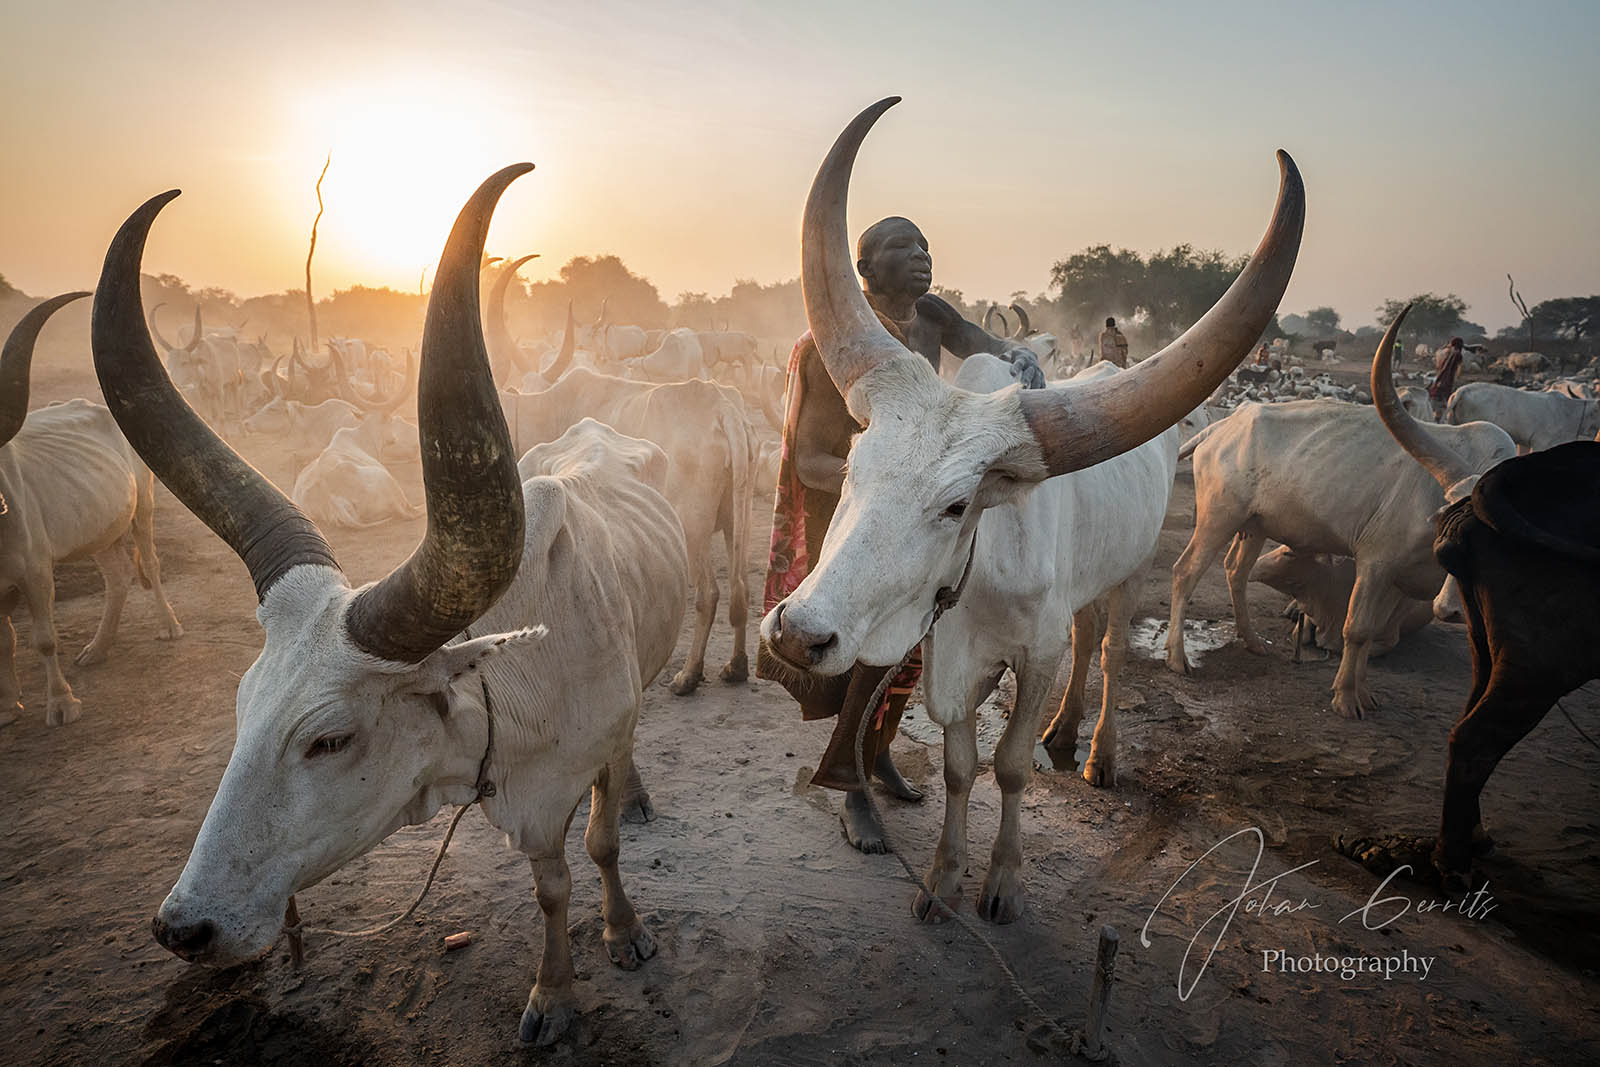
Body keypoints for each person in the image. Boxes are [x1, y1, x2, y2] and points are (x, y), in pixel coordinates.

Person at [757, 215, 1043, 853]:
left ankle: (876, 755)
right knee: (863, 658)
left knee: (907, 651)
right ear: (864, 271)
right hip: (853, 516)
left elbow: (976, 341)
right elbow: (809, 461)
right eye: (898, 248)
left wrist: (1017, 357)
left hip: (912, 519)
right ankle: (851, 785)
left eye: (923, 246)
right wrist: (889, 485)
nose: (919, 256)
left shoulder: (932, 319)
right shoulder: (837, 348)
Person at [1428, 336, 1465, 418]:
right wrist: (1457, 378)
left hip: (1442, 378)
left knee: (1438, 396)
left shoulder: (1451, 354)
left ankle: (1436, 414)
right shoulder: (1458, 355)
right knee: (1445, 398)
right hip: (1448, 380)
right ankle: (1441, 415)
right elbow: (1459, 369)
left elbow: (1443, 367)